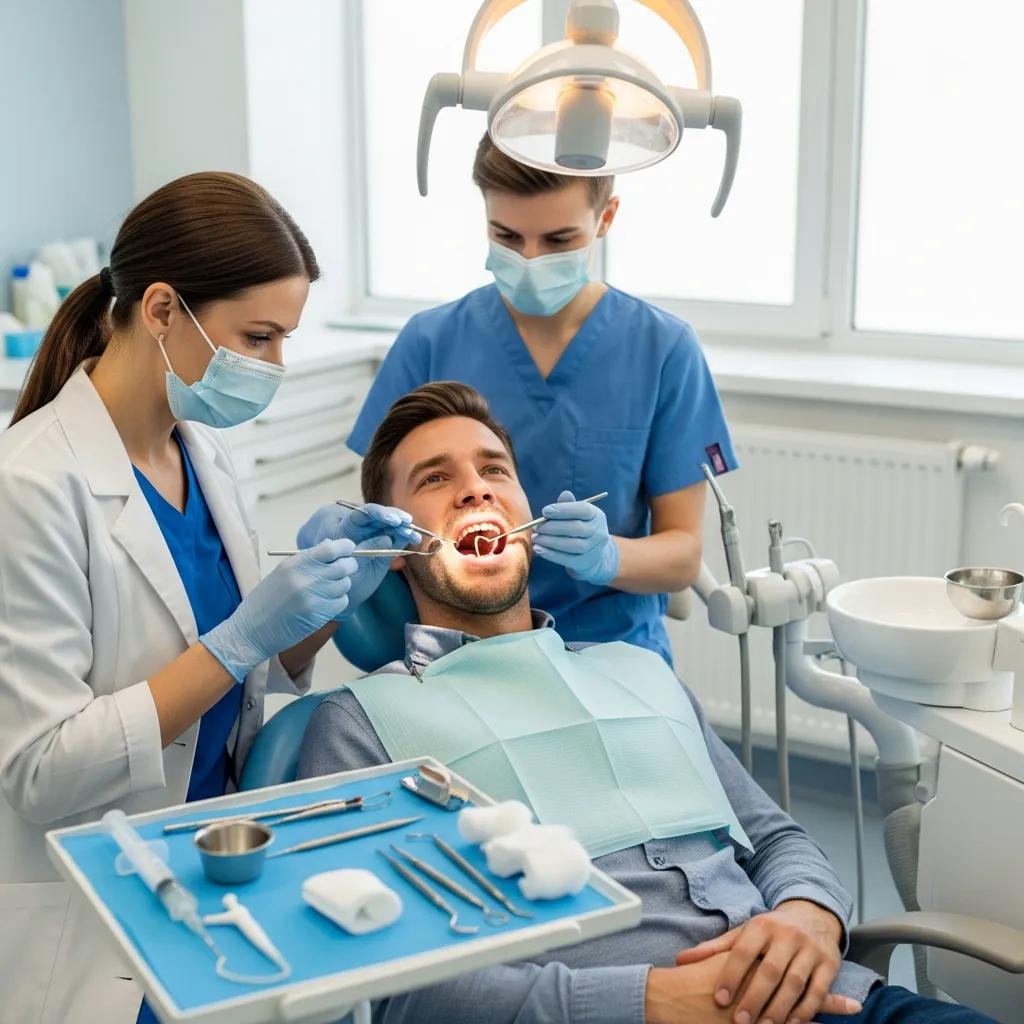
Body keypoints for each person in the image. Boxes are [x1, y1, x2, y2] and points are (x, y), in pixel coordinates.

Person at [298, 381, 996, 1024]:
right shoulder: (362, 722)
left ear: (527, 518)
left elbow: (778, 838)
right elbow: (393, 989)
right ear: (390, 546)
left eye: (495, 471)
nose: (475, 491)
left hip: (828, 1002)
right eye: (434, 479)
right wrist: (648, 998)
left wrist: (811, 916)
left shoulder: (636, 673)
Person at [0, 172, 415, 1024]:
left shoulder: (203, 452)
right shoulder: (31, 487)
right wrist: (233, 641)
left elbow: (251, 669)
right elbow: (39, 773)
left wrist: (326, 604)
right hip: (96, 908)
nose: (272, 367)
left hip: (209, 865)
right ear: (161, 310)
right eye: (256, 337)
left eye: (282, 340)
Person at [347, 134, 737, 665]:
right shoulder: (430, 341)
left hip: (611, 655)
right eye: (506, 236)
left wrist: (608, 557)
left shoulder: (662, 349)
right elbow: (390, 511)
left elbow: (683, 556)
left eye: (557, 240)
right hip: (460, 660)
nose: (529, 259)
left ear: (606, 218)